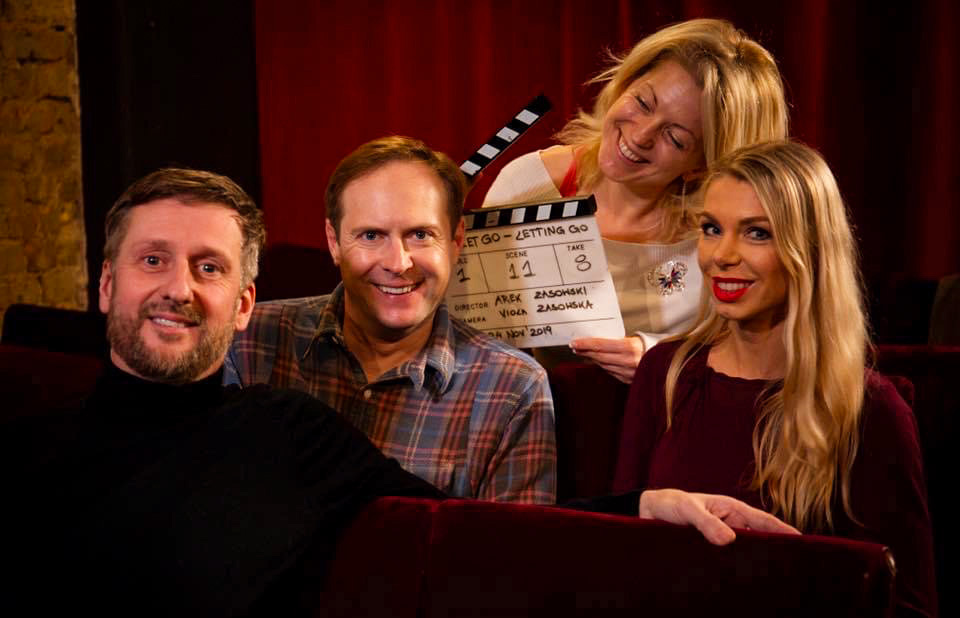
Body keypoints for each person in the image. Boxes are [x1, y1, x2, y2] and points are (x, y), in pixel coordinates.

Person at [1, 168, 444, 616]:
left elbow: (475, 543)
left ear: (243, 306)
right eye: (153, 260)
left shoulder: (293, 435)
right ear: (108, 285)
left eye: (208, 267)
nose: (178, 289)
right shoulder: (21, 453)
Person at [611, 142, 937, 616]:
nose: (721, 255)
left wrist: (796, 563)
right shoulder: (666, 372)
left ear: (810, 250)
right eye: (711, 229)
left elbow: (908, 606)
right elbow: (609, 548)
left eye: (757, 233)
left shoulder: (871, 410)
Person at [226, 136, 556, 504]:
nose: (398, 263)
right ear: (333, 243)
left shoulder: (514, 388)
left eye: (420, 235)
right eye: (371, 235)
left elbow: (513, 556)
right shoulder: (248, 341)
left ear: (456, 241)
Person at [483, 18, 788, 383]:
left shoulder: (722, 235)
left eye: (675, 138)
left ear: (703, 165)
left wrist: (660, 358)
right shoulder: (529, 185)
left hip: (669, 426)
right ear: (624, 83)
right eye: (643, 102)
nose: (641, 136)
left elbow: (763, 351)